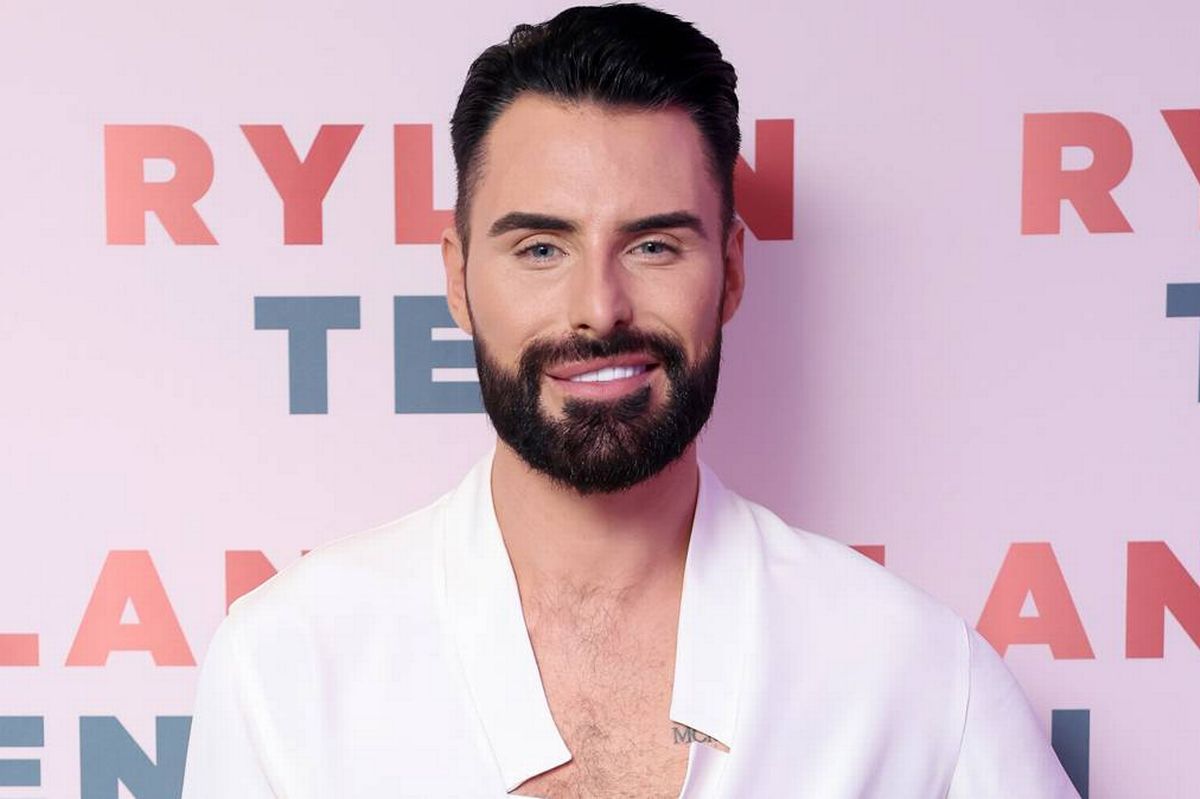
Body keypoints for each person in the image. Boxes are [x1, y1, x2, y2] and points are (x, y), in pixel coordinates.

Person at [181, 4, 1080, 797]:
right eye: (541, 248)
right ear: (458, 280)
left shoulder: (918, 677)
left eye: (653, 246)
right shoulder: (287, 664)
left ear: (730, 271)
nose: (599, 308)